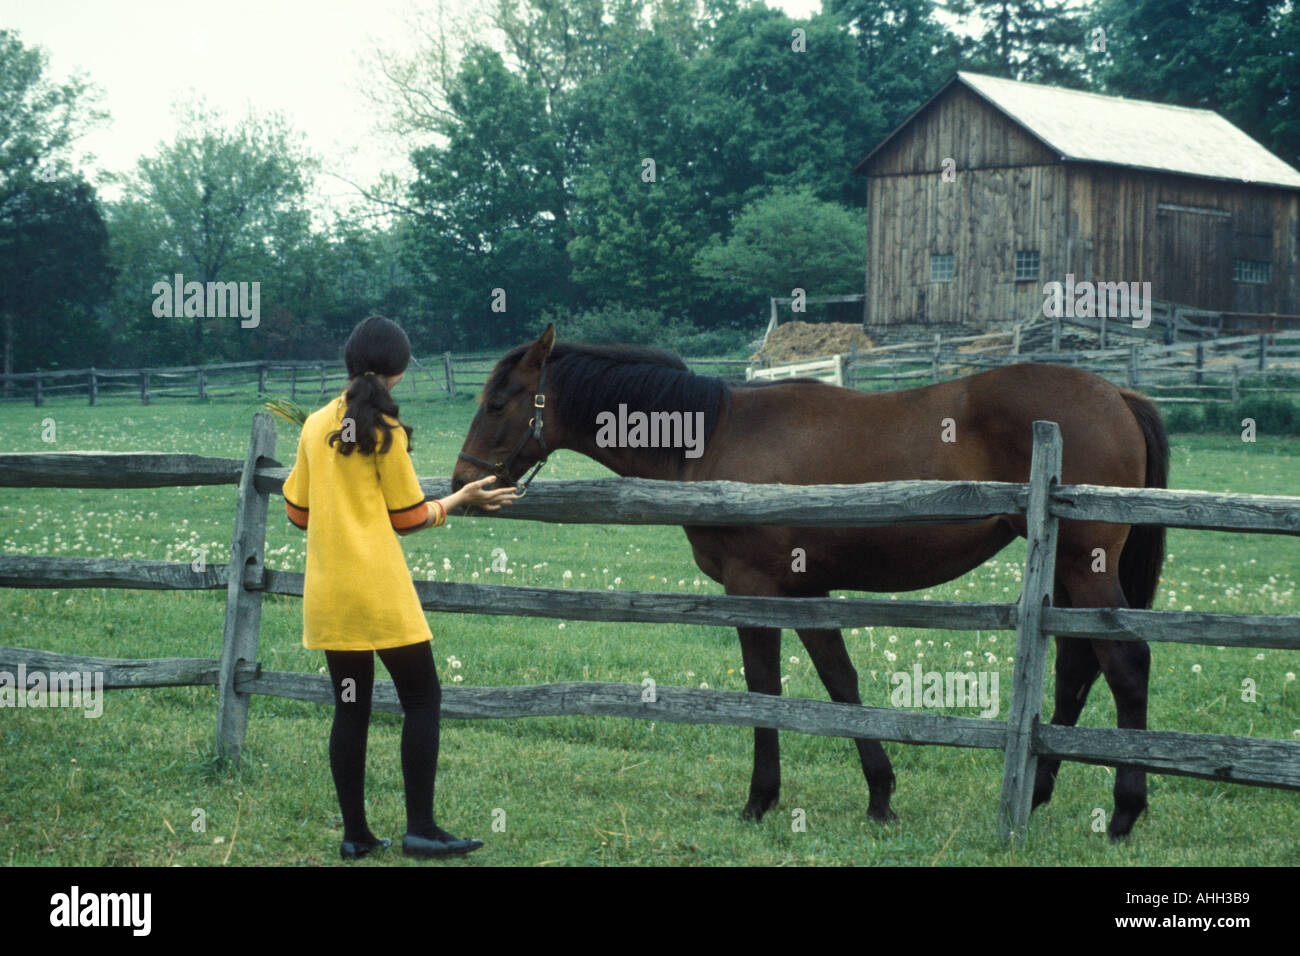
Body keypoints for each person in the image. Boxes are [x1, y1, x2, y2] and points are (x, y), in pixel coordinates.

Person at [281, 315, 517, 860]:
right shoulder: (384, 433)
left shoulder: (315, 425)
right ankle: (420, 829)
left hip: (329, 593)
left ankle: (355, 835)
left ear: (348, 361)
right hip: (379, 590)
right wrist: (462, 499)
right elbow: (409, 517)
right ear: (401, 372)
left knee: (351, 706)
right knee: (422, 698)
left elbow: (297, 512)